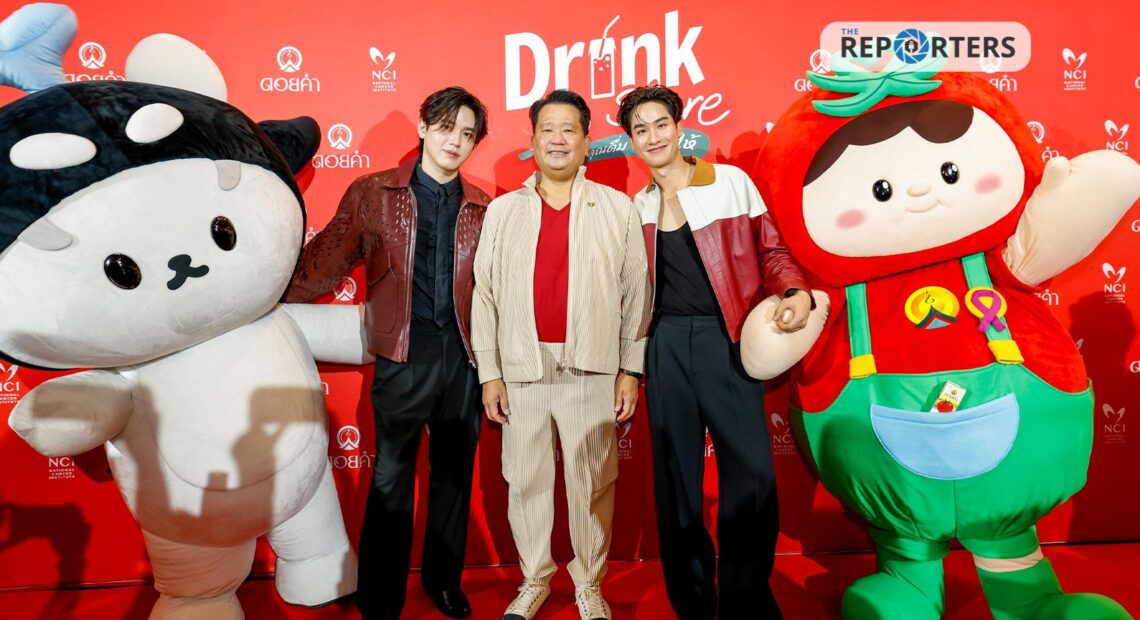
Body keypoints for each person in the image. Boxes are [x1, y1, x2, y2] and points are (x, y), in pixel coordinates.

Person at [286, 86, 491, 620]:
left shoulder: (484, 207)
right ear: (423, 128)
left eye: (467, 134)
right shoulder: (372, 193)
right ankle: (381, 596)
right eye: (445, 127)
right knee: (391, 478)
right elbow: (327, 260)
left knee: (453, 475)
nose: (455, 140)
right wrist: (266, 296)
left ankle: (444, 583)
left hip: (465, 358)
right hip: (401, 354)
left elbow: (498, 291)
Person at [619, 85, 813, 619]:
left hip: (727, 338)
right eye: (640, 129)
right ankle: (693, 600)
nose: (653, 136)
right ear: (632, 141)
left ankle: (747, 597)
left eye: (661, 124)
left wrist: (794, 289)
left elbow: (771, 249)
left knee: (752, 475)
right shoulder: (637, 207)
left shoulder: (730, 183)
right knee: (677, 482)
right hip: (665, 346)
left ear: (679, 128)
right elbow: (631, 294)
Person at [471, 89, 651, 620]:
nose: (557, 139)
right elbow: (484, 294)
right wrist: (490, 373)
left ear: (586, 141)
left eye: (569, 129)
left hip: (591, 368)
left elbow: (637, 294)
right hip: (521, 368)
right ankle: (534, 580)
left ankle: (589, 584)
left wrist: (631, 368)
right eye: (547, 129)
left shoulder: (616, 208)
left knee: (592, 483)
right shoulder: (503, 211)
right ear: (532, 140)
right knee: (525, 482)